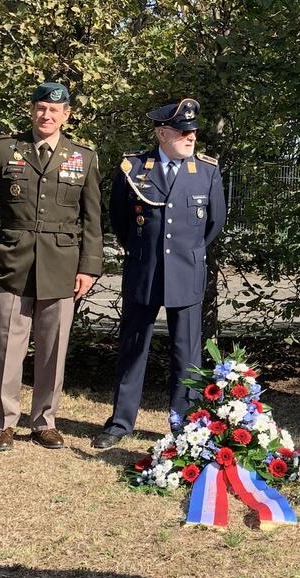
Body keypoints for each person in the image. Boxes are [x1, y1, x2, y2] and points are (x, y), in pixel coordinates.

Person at [0, 82, 102, 451]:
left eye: (54, 110)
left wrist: (88, 267)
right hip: (12, 260)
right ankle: (3, 422)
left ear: (66, 115)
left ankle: (44, 422)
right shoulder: (4, 150)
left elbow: (92, 219)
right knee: (8, 345)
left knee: (53, 349)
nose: (46, 115)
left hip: (62, 263)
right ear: (31, 110)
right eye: (40, 108)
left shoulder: (83, 157)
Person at [91, 98, 225, 449]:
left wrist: (187, 254)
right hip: (144, 270)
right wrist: (143, 251)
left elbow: (214, 223)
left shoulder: (207, 171)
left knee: (187, 353)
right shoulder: (134, 167)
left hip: (186, 273)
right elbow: (120, 219)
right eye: (182, 132)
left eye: (193, 131)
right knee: (133, 348)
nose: (191, 137)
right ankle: (121, 423)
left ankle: (186, 425)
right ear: (162, 133)